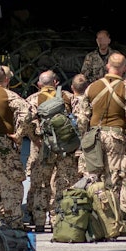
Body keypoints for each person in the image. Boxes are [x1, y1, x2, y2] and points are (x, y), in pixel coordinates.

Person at [25, 70, 80, 233]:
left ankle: (40, 220)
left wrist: (35, 138)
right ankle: (59, 218)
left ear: (40, 84)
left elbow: (25, 121)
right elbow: (79, 118)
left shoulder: (33, 99)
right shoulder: (68, 97)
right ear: (55, 83)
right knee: (63, 182)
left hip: (43, 147)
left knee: (41, 183)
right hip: (65, 148)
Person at [81, 51, 126, 218]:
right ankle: (111, 218)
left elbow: (82, 117)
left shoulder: (92, 87)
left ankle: (95, 217)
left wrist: (84, 138)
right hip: (116, 136)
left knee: (93, 176)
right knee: (113, 179)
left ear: (107, 66)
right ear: (124, 69)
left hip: (94, 136)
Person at [0, 65, 32, 229]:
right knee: (11, 181)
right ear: (6, 80)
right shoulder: (9, 96)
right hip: (3, 142)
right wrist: (18, 134)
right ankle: (12, 220)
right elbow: (26, 113)